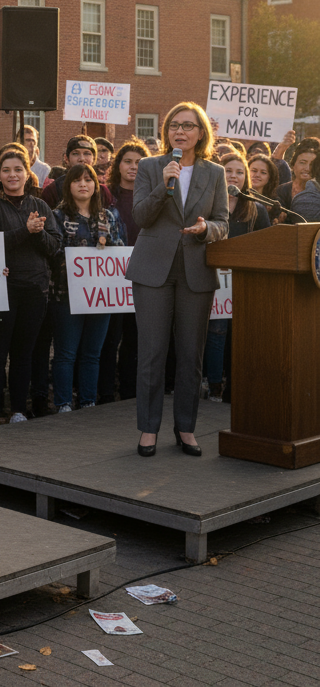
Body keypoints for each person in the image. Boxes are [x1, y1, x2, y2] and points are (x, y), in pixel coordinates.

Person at [126, 102, 227, 458]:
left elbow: (222, 222)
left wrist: (205, 229)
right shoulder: (150, 167)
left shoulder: (215, 173)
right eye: (174, 125)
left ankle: (186, 427)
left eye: (187, 125)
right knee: (152, 353)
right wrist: (164, 184)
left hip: (195, 271)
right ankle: (148, 428)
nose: (179, 131)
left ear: (201, 133)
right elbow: (141, 216)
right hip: (153, 270)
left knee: (190, 355)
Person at [0, 147, 61, 427]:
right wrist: (26, 231)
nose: (12, 175)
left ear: (28, 174)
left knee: (23, 354)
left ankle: (17, 410)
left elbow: (55, 248)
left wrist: (37, 234)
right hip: (2, 288)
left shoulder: (41, 206)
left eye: (17, 170)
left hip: (35, 289)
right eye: (6, 170)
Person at [49, 164, 126, 413]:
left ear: (96, 185)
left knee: (92, 354)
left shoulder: (109, 216)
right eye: (77, 180)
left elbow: (121, 251)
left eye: (88, 179)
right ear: (68, 186)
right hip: (66, 297)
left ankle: (88, 403)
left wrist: (110, 244)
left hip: (100, 297)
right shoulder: (57, 216)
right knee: (66, 354)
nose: (83, 184)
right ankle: (63, 404)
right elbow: (51, 253)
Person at [203, 153, 270, 403]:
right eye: (228, 171)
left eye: (240, 172)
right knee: (216, 333)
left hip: (244, 284)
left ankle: (236, 389)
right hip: (215, 282)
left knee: (240, 336)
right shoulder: (208, 205)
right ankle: (214, 386)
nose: (234, 176)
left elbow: (266, 245)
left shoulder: (256, 209)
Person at [99, 139, 150, 402]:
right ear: (118, 165)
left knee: (135, 337)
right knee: (109, 337)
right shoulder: (105, 195)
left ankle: (130, 392)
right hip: (111, 276)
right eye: (127, 161)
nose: (133, 167)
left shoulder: (152, 196)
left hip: (143, 274)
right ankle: (106, 392)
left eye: (139, 163)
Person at [41, 136, 114, 208]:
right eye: (76, 154)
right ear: (66, 158)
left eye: (87, 153)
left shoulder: (102, 192)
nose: (82, 159)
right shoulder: (53, 190)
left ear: (94, 158)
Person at [276, 139, 319, 223]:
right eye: (302, 162)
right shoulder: (281, 191)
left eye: (312, 164)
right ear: (293, 164)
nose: (307, 168)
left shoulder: (318, 192)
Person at [247, 153, 281, 223]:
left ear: (269, 177)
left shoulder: (273, 203)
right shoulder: (237, 197)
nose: (257, 175)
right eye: (254, 170)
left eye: (263, 172)